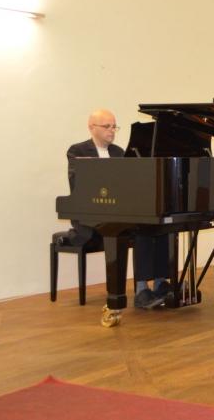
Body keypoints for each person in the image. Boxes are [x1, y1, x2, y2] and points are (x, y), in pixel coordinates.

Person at [67, 109, 171, 309]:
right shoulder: (78, 151)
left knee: (159, 226)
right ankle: (141, 290)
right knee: (141, 231)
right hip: (92, 215)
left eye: (114, 126)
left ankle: (160, 283)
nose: (112, 130)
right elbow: (77, 181)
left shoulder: (119, 152)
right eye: (107, 126)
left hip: (118, 211)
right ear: (92, 128)